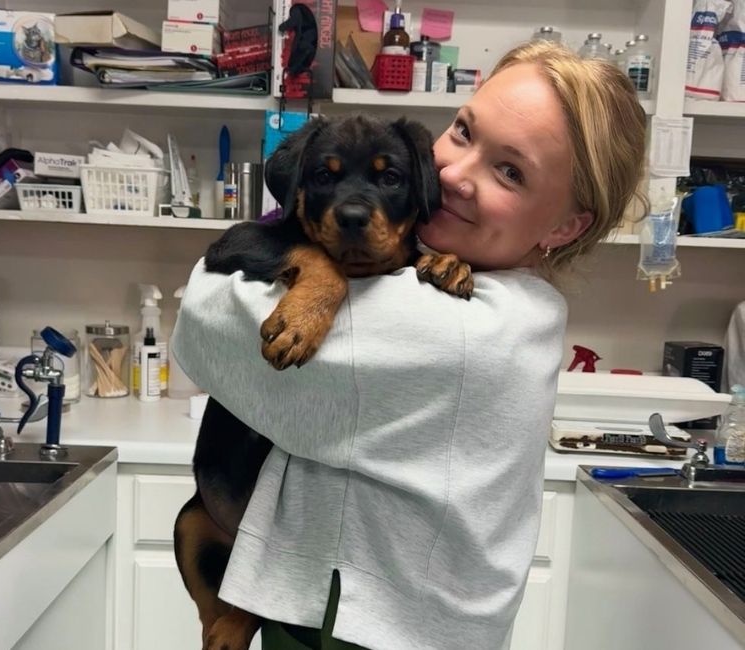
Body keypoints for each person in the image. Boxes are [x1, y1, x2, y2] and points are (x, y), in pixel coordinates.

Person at [171, 40, 647, 650]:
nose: (451, 174)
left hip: (371, 628)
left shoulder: (472, 331)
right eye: (464, 131)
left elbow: (205, 320)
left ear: (563, 226)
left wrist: (310, 277)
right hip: (346, 604)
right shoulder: (480, 287)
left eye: (510, 170)